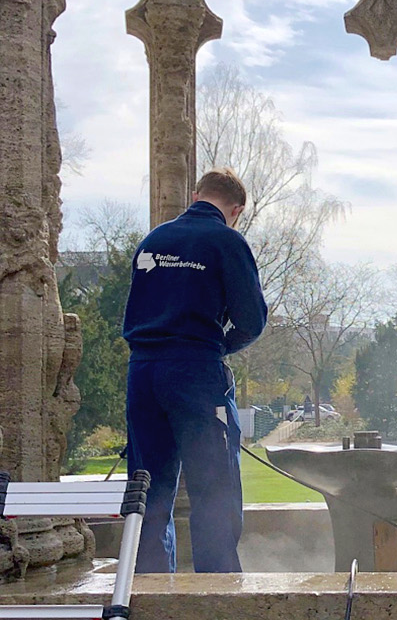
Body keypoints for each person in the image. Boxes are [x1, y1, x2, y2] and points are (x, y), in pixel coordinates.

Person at [122, 168, 268, 573]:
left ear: (195, 194)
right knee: (214, 486)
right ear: (235, 210)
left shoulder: (153, 240)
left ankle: (149, 588)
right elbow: (251, 320)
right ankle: (218, 592)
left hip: (143, 373)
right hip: (195, 374)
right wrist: (220, 346)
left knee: (148, 486)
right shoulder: (226, 241)